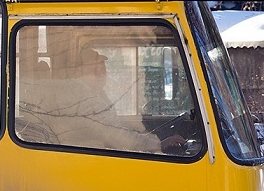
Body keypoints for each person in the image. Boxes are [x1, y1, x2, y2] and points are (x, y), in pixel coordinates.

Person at [23, 48, 185, 154]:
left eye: (101, 64)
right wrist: (157, 145)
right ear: (78, 69)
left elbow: (115, 125)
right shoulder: (77, 94)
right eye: (93, 65)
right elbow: (111, 134)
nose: (99, 69)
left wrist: (149, 137)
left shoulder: (95, 91)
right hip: (84, 162)